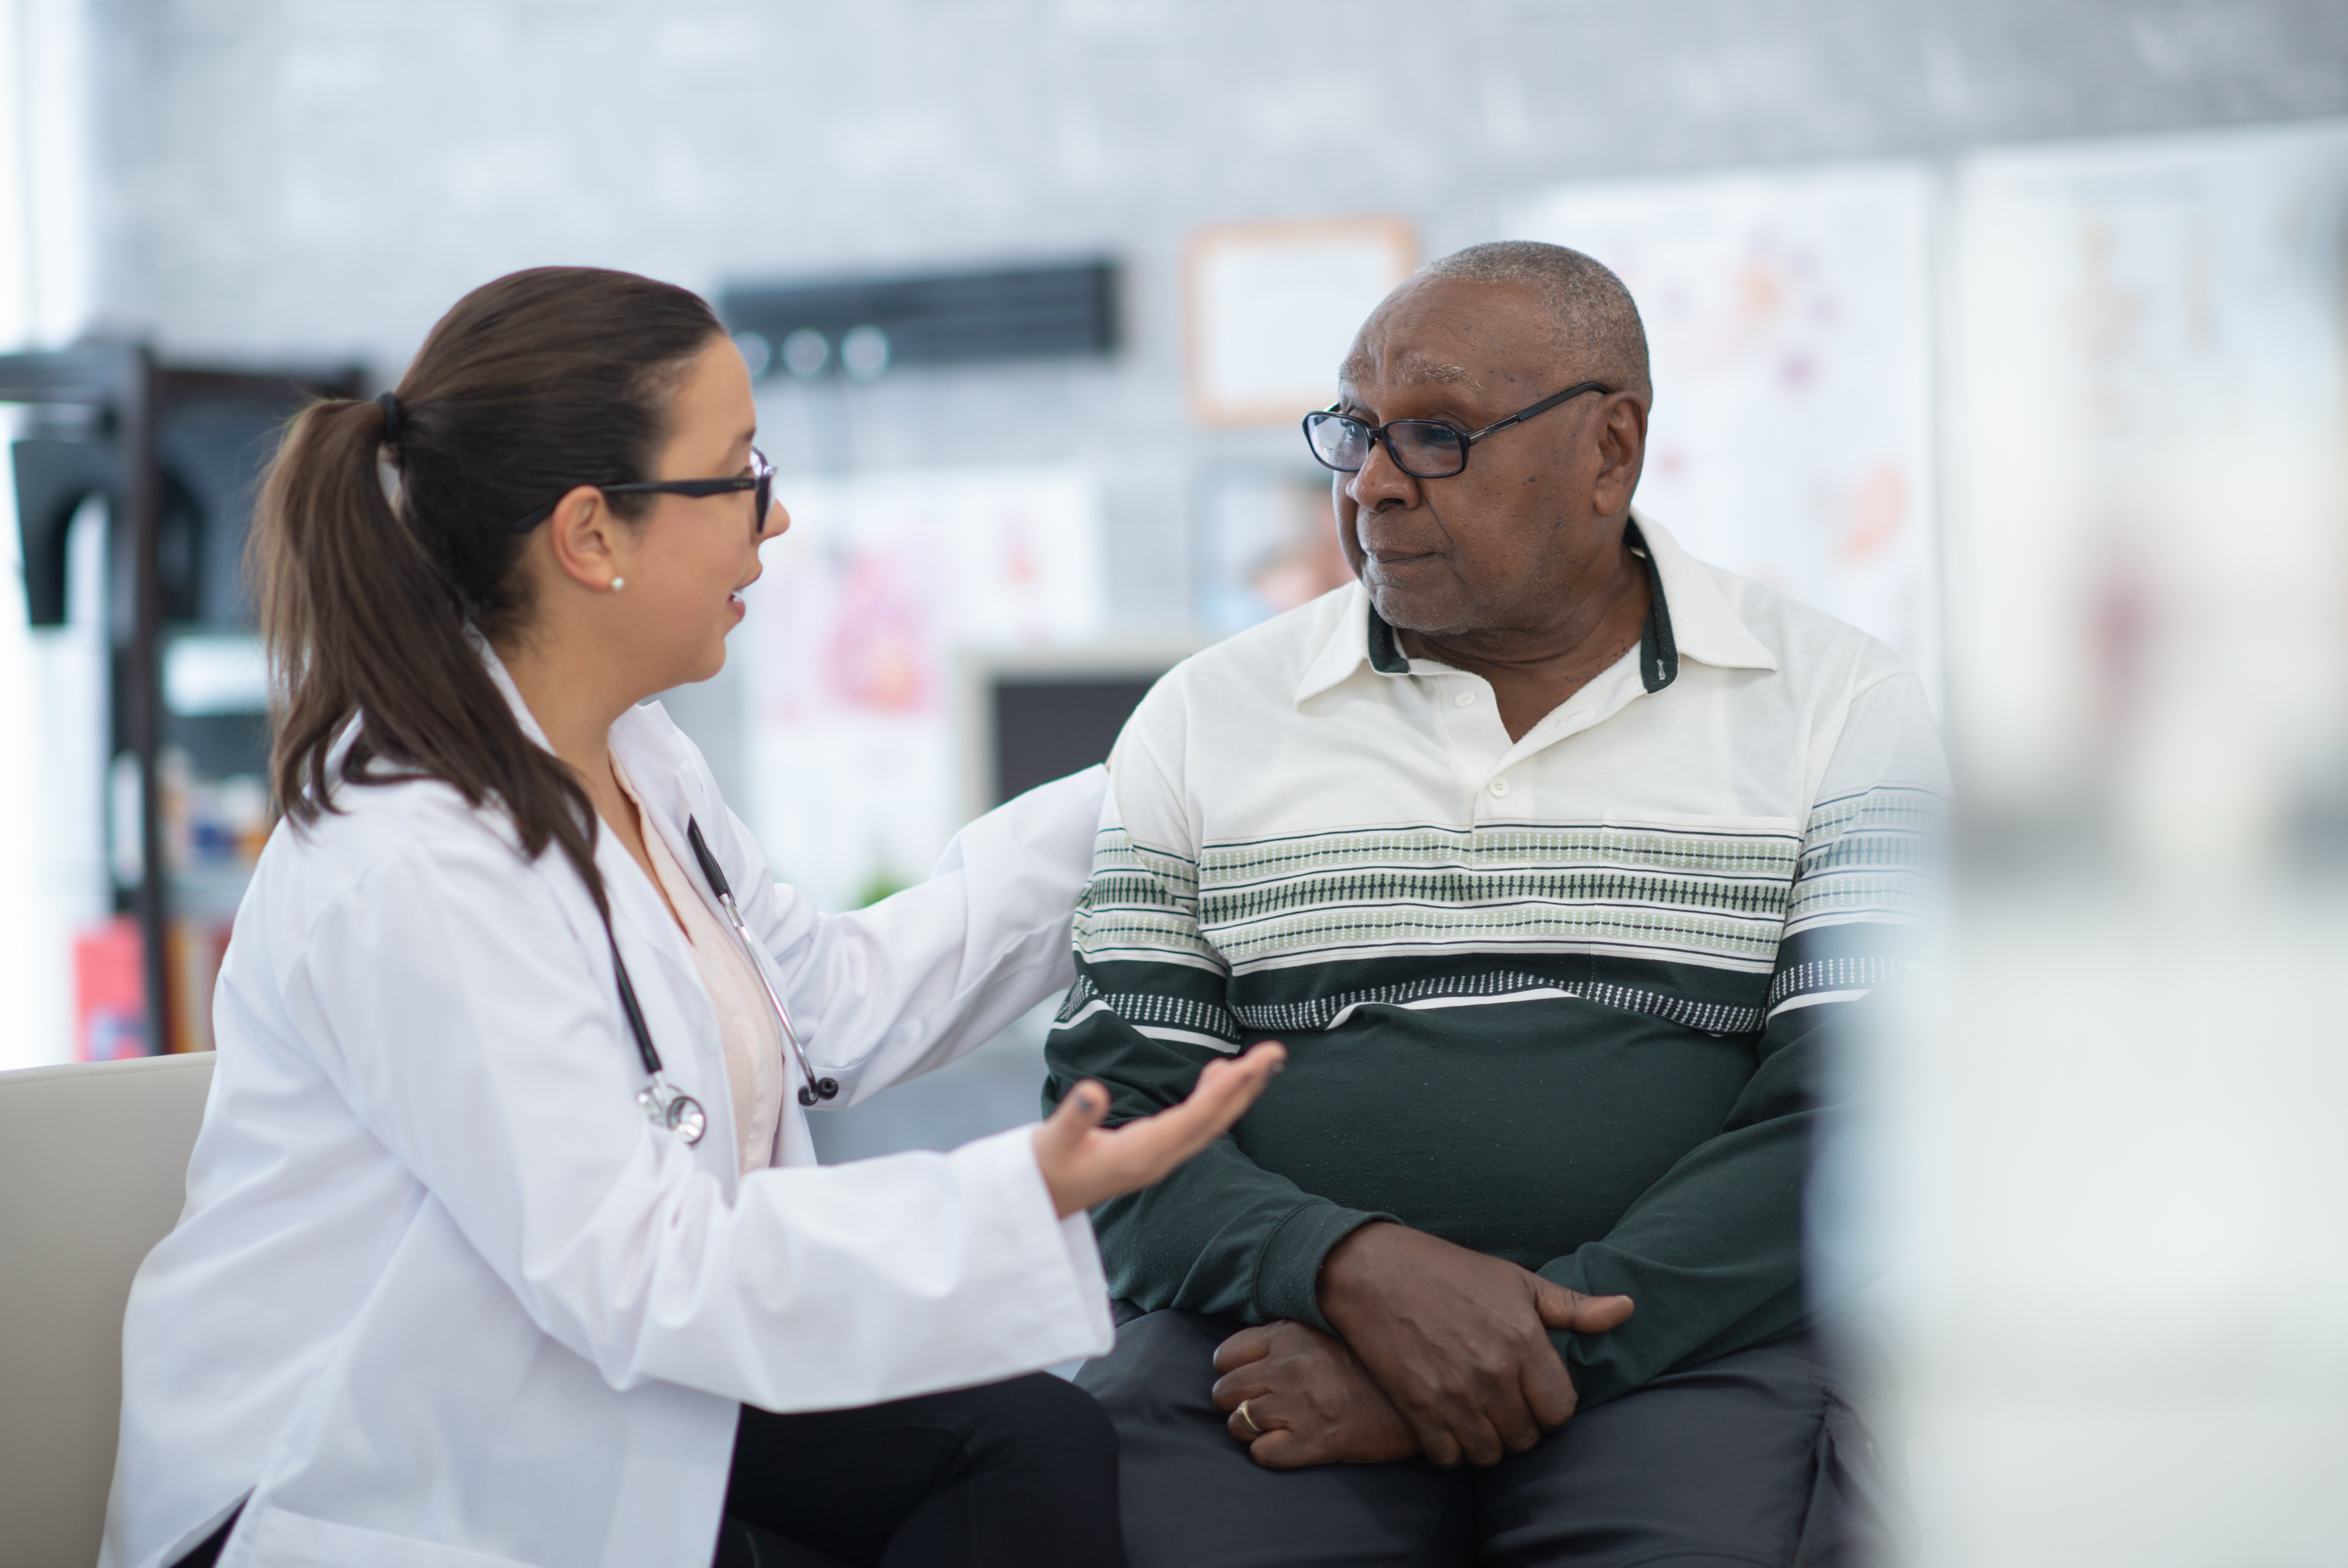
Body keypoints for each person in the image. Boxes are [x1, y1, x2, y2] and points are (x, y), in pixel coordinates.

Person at [99, 266, 1284, 1568]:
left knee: (1029, 1441)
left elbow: (824, 1008)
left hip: (562, 1380)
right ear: (591, 534)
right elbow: (634, 1263)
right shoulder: (408, 859)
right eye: (740, 476)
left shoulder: (634, 756)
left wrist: (1160, 794)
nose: (773, 524)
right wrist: (1015, 1191)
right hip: (369, 1474)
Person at [1048, 241, 1945, 1566]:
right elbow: (1115, 1123)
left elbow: (1856, 1120)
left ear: (1609, 449)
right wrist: (1348, 1267)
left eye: (1437, 434)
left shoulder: (1832, 704)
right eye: (1354, 431)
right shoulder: (1206, 715)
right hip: (1272, 1336)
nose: (1373, 485)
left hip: (1689, 1347)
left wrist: (1516, 1352)